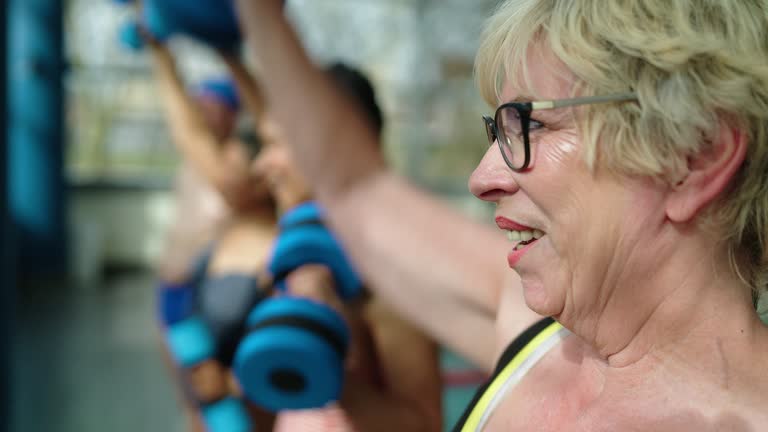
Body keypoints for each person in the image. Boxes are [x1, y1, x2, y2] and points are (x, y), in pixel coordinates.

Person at [234, 0, 768, 430]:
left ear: (695, 156)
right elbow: (355, 188)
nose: (483, 177)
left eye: (531, 125)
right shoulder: (535, 330)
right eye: (499, 131)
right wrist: (258, 13)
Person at [250, 62, 442, 432]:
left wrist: (321, 358)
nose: (261, 166)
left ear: (325, 143)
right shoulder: (294, 254)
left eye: (274, 145)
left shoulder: (389, 271)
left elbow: (424, 424)